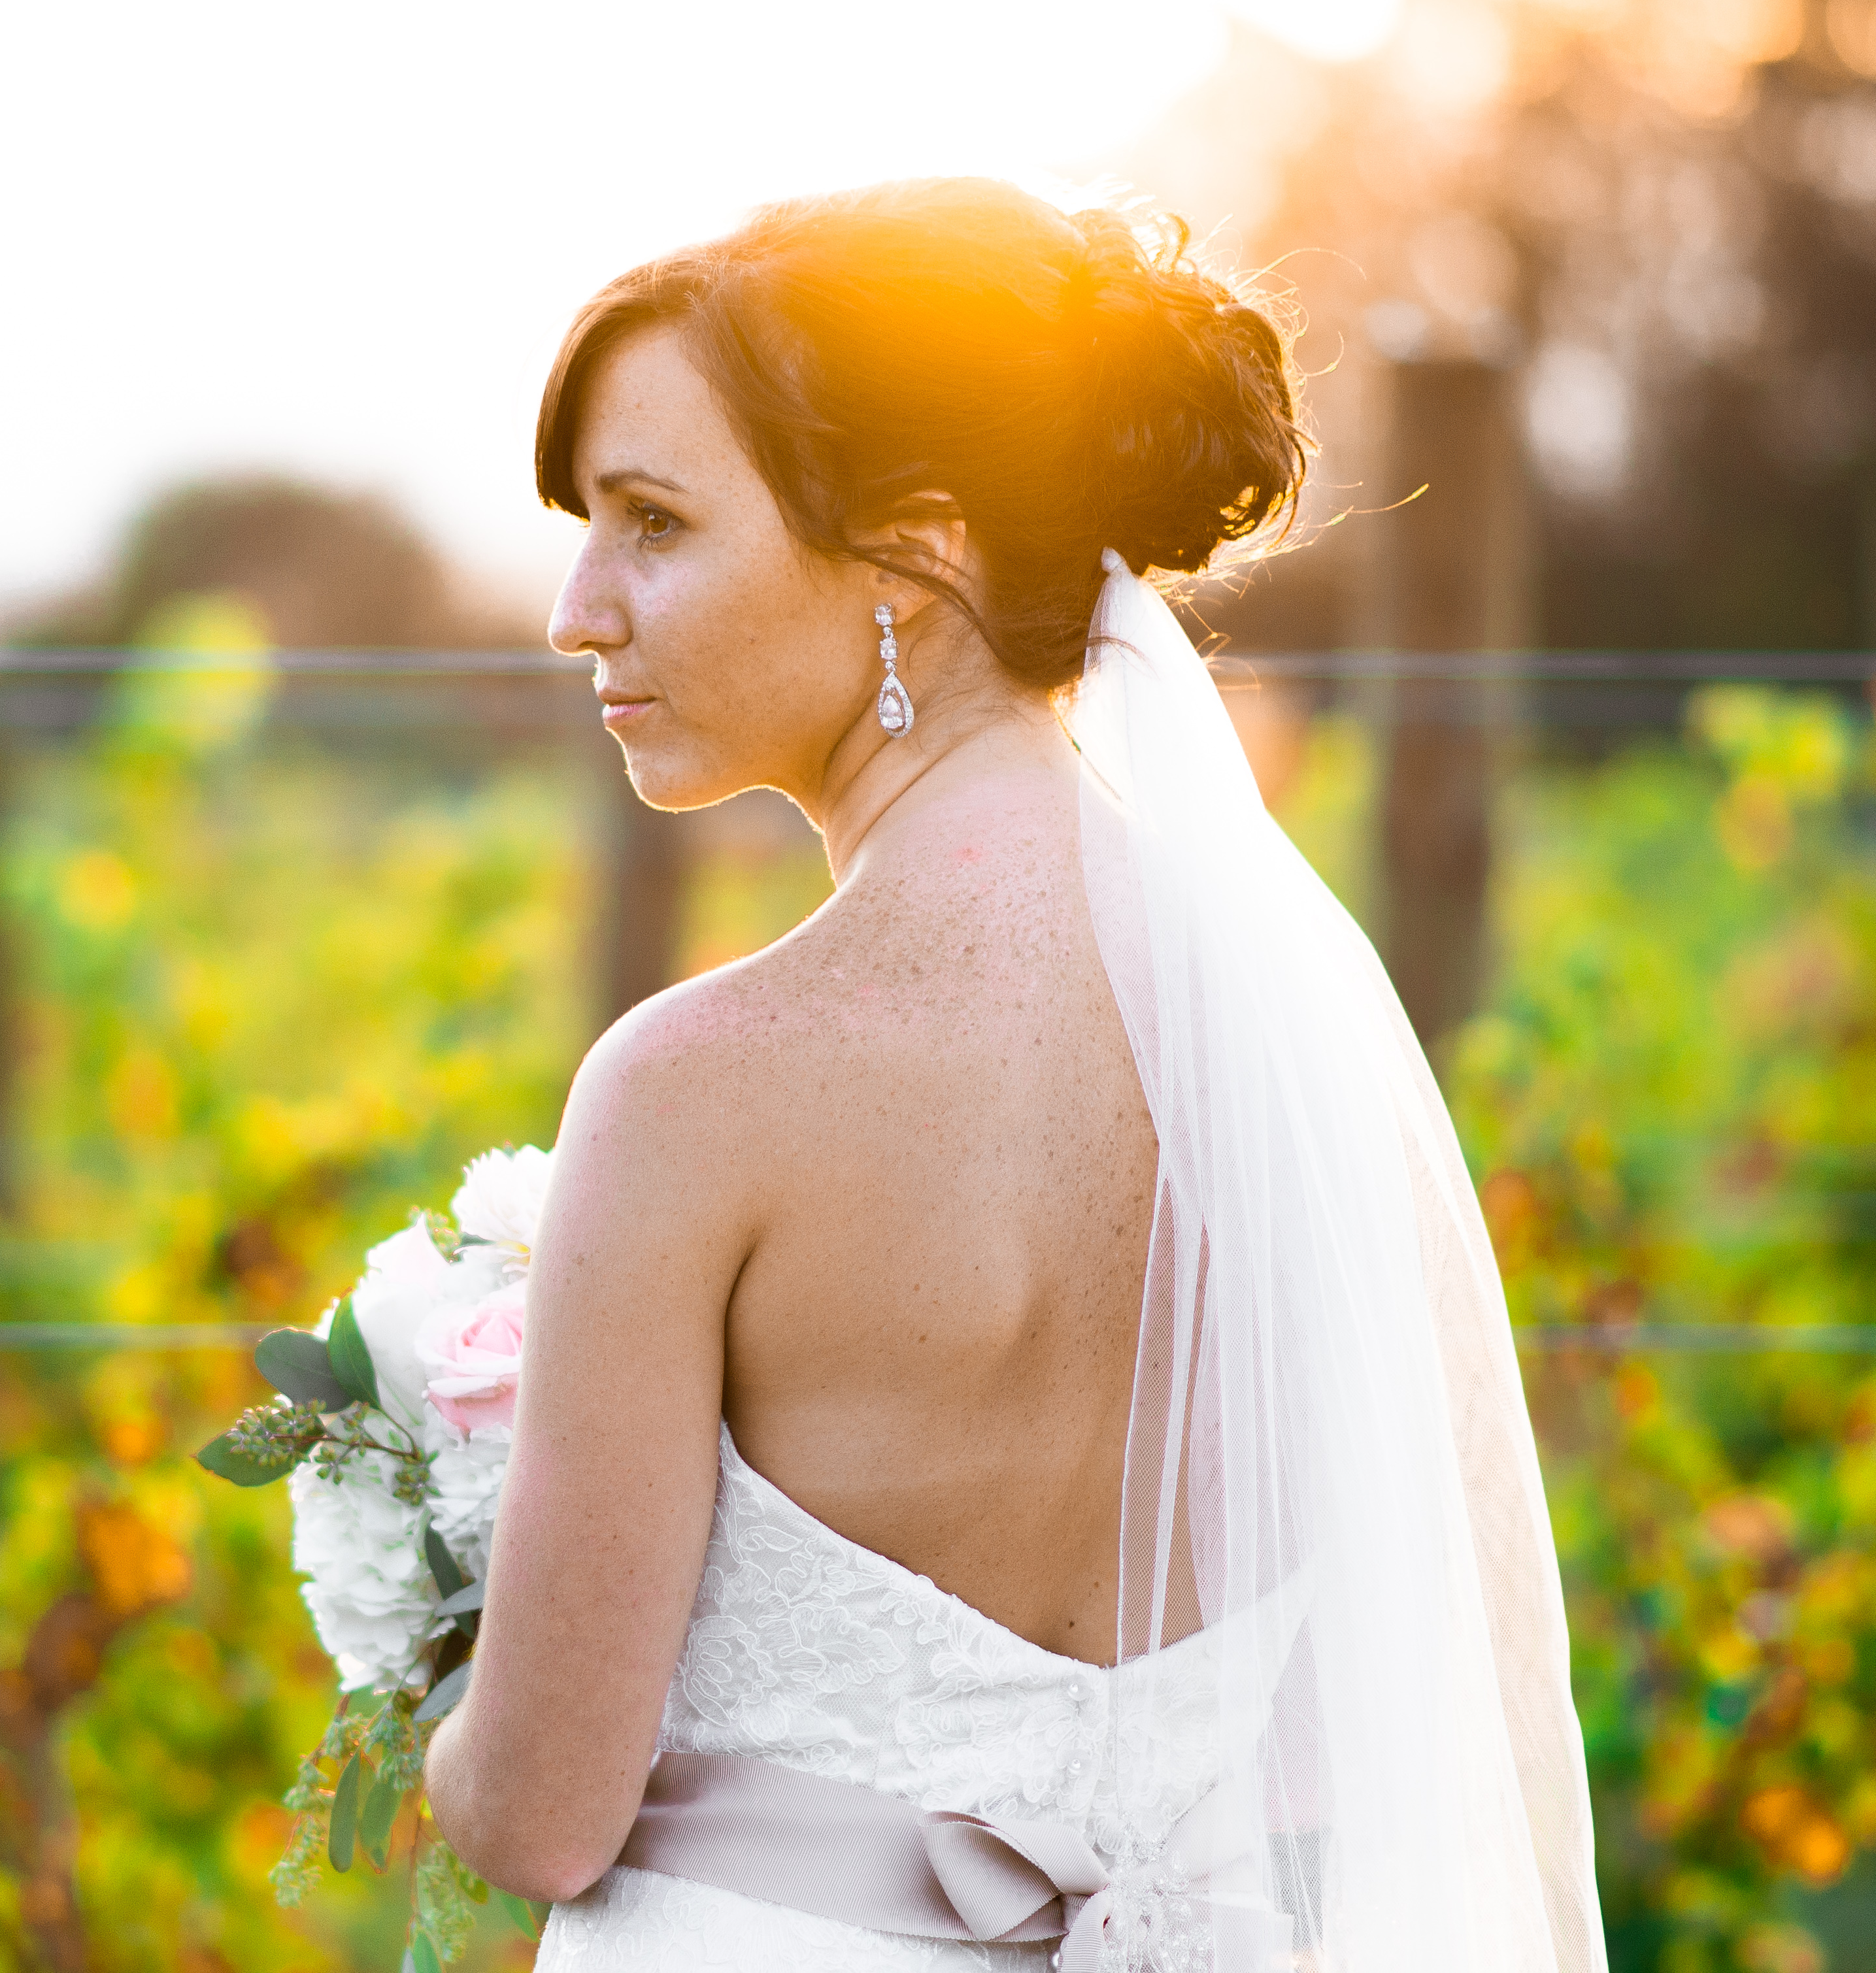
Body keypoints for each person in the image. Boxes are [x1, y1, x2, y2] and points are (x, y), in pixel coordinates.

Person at [423, 177, 1605, 1973]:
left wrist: (442, 1644)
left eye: (653, 522)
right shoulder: (1300, 1058)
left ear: (925, 551)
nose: (582, 608)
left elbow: (539, 1811)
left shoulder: (695, 1091)